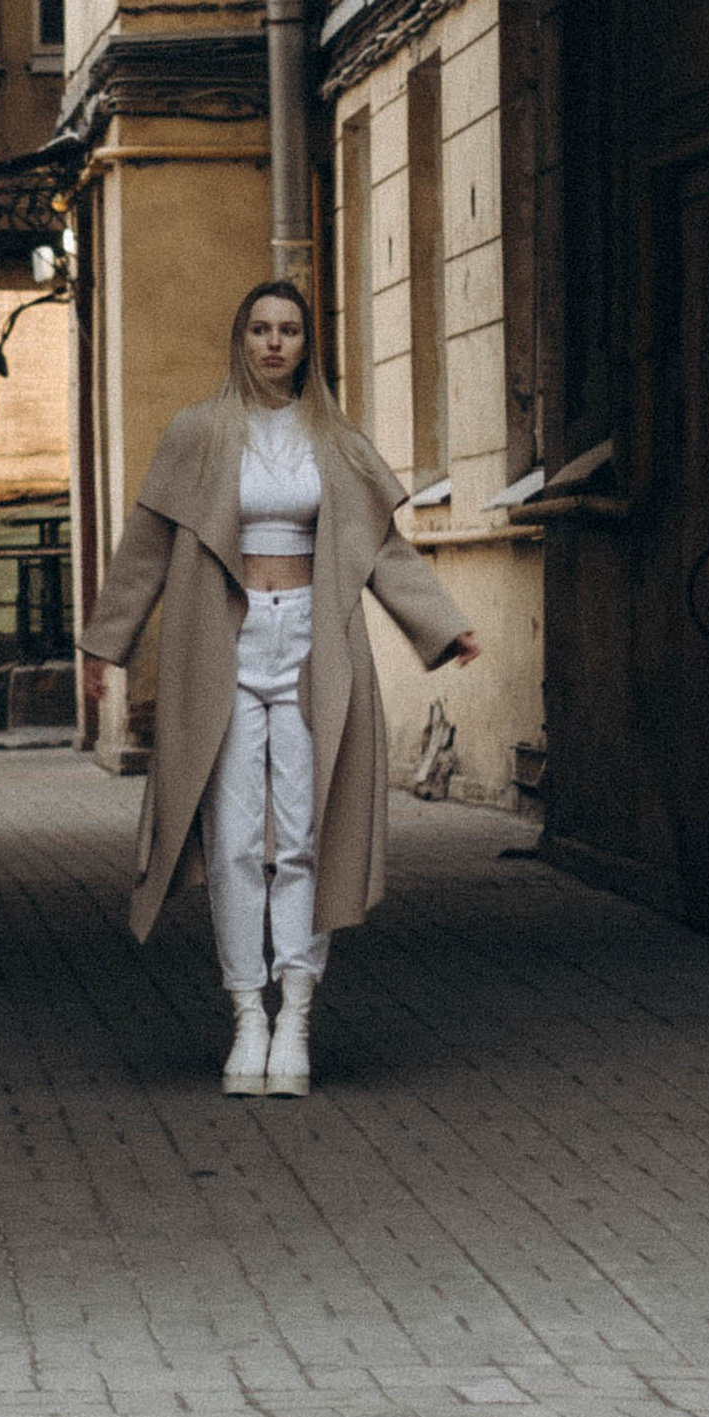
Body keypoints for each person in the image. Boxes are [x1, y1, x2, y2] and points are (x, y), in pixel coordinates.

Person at [79, 279, 481, 1097]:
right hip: (220, 649)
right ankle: (245, 1018)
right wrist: (105, 644)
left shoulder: (333, 440)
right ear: (241, 338)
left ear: (307, 344)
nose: (273, 343)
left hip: (311, 644)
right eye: (260, 328)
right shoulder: (197, 432)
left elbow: (386, 552)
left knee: (299, 837)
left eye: (289, 330)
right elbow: (145, 549)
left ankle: (296, 1016)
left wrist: (442, 626)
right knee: (231, 840)